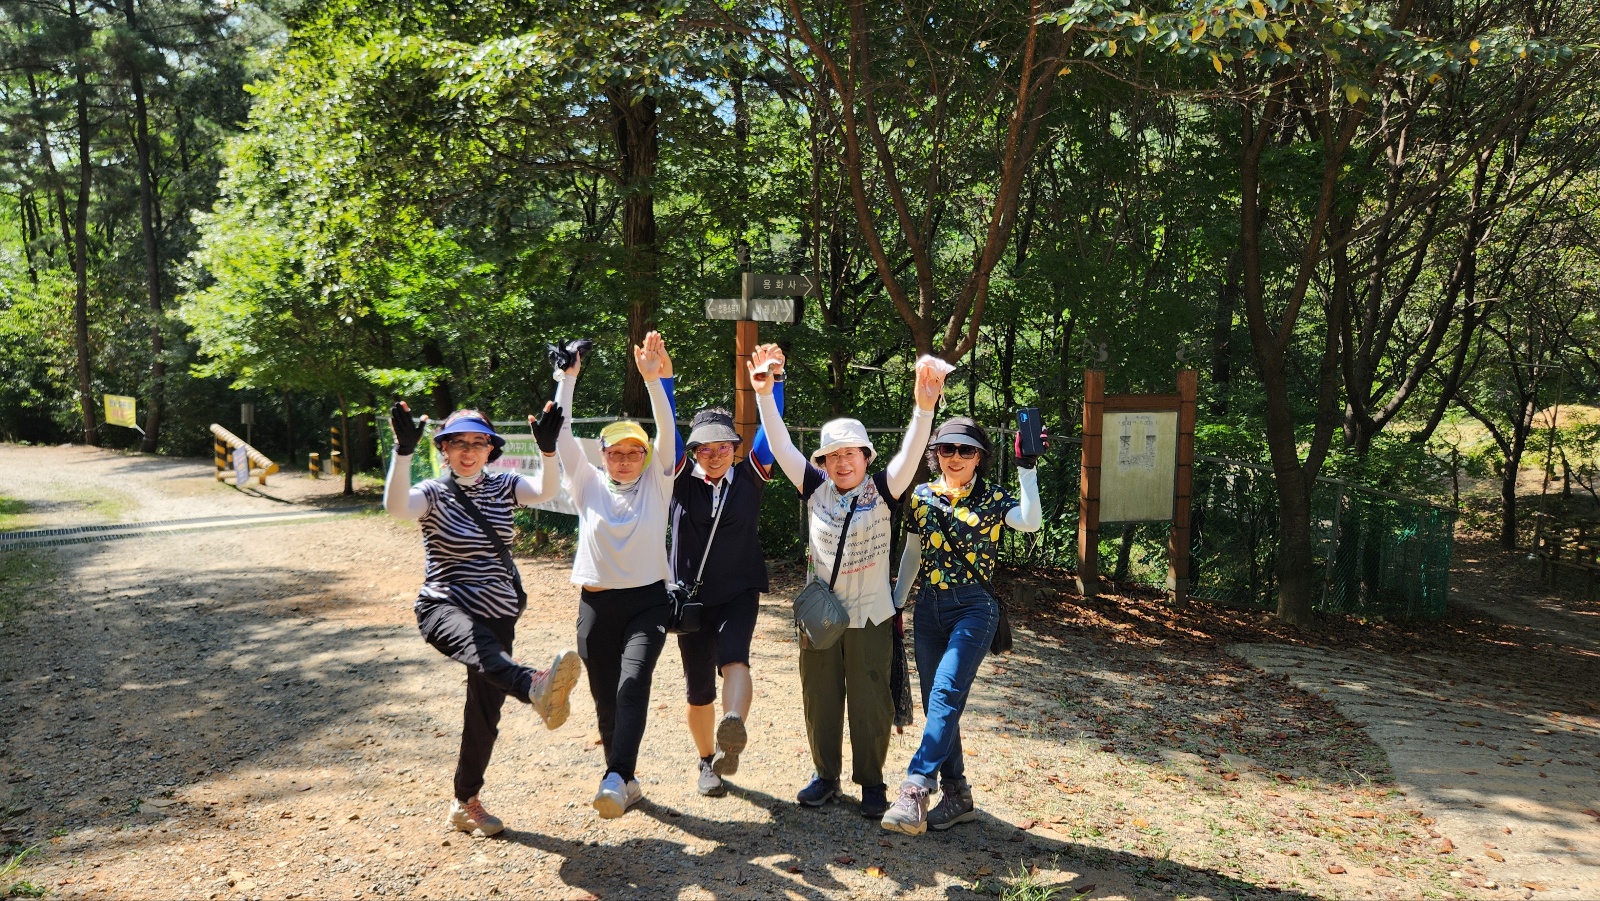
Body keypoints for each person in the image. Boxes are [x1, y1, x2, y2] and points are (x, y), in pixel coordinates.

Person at [750, 346, 945, 818]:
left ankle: (872, 783)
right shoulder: (814, 488)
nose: (842, 463)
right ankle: (825, 776)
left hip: (871, 617)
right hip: (820, 618)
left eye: (850, 454)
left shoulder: (884, 489)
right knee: (819, 698)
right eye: (833, 455)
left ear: (865, 456)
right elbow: (780, 445)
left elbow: (911, 452)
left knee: (870, 702)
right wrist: (765, 395)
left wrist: (924, 408)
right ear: (823, 460)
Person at [385, 402, 583, 837]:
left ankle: (465, 801)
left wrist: (549, 452)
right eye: (458, 442)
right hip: (445, 606)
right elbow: (397, 506)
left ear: (491, 449)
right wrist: (402, 452)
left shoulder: (505, 486)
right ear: (443, 449)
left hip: (498, 612)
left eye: (478, 442)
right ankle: (533, 684)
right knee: (484, 651)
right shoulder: (433, 493)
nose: (468, 450)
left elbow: (545, 491)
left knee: (484, 713)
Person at [879, 416, 1045, 835]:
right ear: (935, 454)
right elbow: (913, 553)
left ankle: (916, 786)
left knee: (945, 693)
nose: (955, 457)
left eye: (966, 450)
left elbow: (1030, 521)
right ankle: (958, 795)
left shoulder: (993, 497)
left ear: (979, 457)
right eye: (947, 449)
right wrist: (896, 603)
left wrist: (1027, 469)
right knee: (939, 703)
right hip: (928, 609)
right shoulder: (921, 496)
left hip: (974, 608)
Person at [552, 331, 677, 818]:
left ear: (646, 456)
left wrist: (654, 382)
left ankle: (615, 776)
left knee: (632, 685)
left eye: (634, 452)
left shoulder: (658, 483)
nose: (625, 461)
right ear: (601, 455)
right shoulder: (585, 483)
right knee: (605, 699)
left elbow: (666, 431)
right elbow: (560, 434)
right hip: (596, 605)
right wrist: (567, 378)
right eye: (616, 453)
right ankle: (624, 778)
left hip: (648, 603)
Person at [661, 345, 786, 797]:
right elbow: (667, 430)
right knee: (698, 690)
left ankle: (732, 728)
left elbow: (772, 432)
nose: (714, 455)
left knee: (736, 658)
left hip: (738, 590)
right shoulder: (678, 478)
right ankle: (706, 762)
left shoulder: (751, 475)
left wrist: (775, 383)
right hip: (690, 599)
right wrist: (663, 382)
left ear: (736, 448)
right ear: (693, 451)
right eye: (705, 448)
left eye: (723, 447)